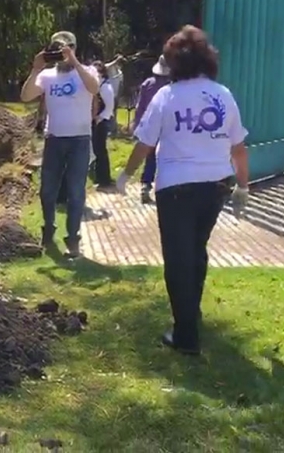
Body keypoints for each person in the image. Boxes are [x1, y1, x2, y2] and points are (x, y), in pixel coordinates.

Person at [115, 25, 250, 355]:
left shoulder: (167, 96)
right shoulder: (223, 94)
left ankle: (185, 335)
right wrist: (243, 186)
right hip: (217, 185)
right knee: (196, 248)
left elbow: (145, 143)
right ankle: (192, 313)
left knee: (178, 258)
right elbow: (239, 147)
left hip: (176, 187)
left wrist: (125, 175)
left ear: (175, 63)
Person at [20, 31, 99, 257]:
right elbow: (26, 96)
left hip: (79, 141)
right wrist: (35, 68)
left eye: (65, 49)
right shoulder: (47, 76)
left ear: (74, 49)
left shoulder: (88, 71)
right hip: (54, 139)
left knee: (76, 192)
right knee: (47, 191)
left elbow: (93, 88)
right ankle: (48, 230)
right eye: (56, 50)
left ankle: (73, 239)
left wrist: (74, 62)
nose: (60, 55)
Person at [132, 54, 171, 204]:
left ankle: (146, 186)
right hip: (167, 127)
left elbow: (140, 107)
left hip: (150, 126)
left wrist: (137, 125)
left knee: (150, 158)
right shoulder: (172, 86)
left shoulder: (148, 83)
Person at [91, 61, 116, 190]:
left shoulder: (106, 87)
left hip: (102, 121)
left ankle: (104, 179)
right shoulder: (97, 86)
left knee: (100, 150)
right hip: (96, 121)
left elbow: (110, 107)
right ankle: (99, 177)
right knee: (96, 150)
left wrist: (99, 118)